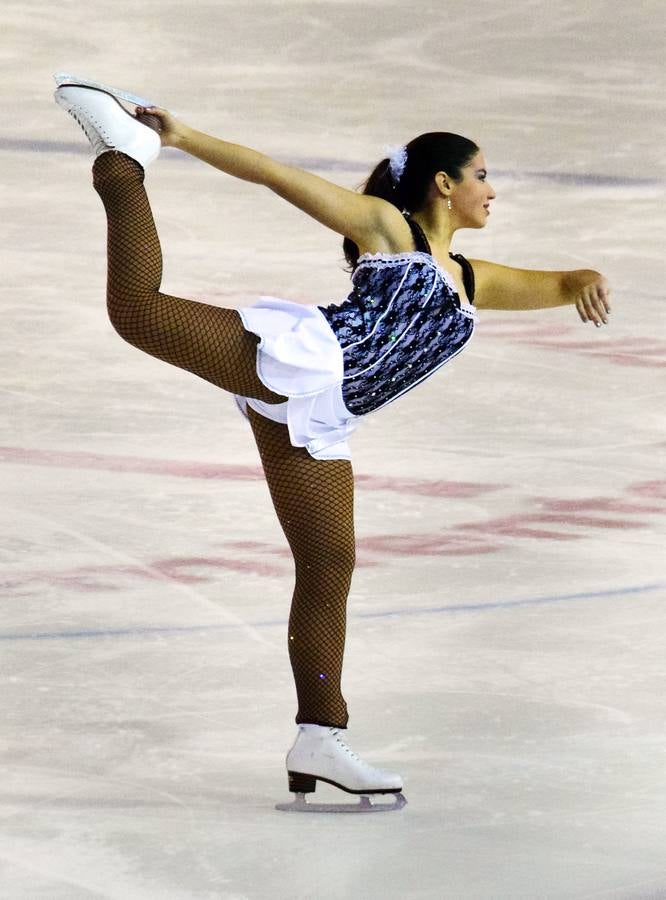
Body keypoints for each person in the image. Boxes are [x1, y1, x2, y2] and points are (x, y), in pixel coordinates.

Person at [53, 74, 611, 813]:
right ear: (442, 185)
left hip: (318, 414)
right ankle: (121, 161)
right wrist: (180, 137)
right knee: (140, 312)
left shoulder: (470, 279)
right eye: (482, 175)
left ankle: (320, 733)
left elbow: (560, 283)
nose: (492, 189)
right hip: (305, 358)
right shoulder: (389, 229)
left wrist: (588, 278)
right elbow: (277, 175)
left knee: (327, 564)